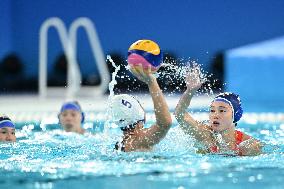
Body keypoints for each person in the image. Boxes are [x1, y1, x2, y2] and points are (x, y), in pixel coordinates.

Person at [174, 66, 262, 156]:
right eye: (212, 110)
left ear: (236, 115)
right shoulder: (205, 135)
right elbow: (179, 114)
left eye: (222, 111)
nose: (215, 115)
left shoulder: (249, 145)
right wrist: (190, 91)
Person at [109, 65, 172, 152]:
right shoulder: (140, 140)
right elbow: (165, 124)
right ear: (139, 114)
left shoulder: (122, 143)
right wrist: (152, 82)